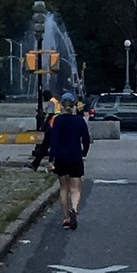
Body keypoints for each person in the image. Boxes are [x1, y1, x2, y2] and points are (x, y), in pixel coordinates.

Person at [47, 92, 91, 229]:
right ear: (74, 105)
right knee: (76, 189)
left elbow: (53, 141)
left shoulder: (58, 121)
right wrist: (84, 152)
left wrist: (51, 160)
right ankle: (75, 209)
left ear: (61, 104)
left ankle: (66, 218)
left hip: (61, 158)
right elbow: (86, 139)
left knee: (64, 188)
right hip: (75, 157)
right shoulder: (79, 120)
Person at [26, 89, 60, 171]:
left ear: (47, 95)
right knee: (45, 147)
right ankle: (35, 164)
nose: (44, 98)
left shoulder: (51, 102)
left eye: (44, 96)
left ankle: (36, 164)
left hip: (51, 128)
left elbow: (51, 115)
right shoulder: (55, 101)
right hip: (55, 127)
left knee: (45, 147)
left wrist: (43, 126)